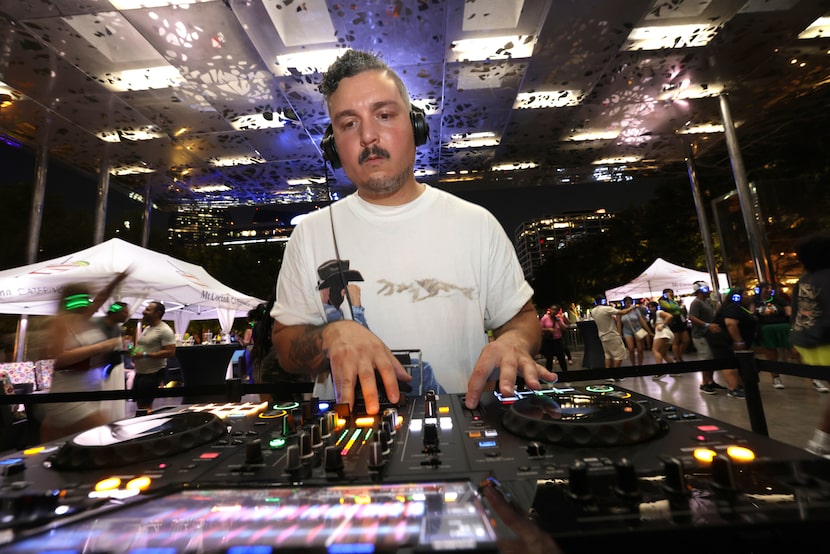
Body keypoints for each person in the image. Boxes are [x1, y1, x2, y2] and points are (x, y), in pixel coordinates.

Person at [270, 49, 555, 415]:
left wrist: (515, 341)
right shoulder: (309, 234)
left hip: (461, 428)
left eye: (384, 115)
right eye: (349, 123)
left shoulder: (477, 224)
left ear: (416, 126)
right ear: (333, 145)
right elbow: (284, 345)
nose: (369, 136)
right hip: (350, 440)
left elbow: (521, 318)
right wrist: (330, 336)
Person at [39, 271, 128, 442]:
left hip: (89, 392)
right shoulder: (60, 322)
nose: (89, 301)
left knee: (59, 450)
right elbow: (59, 359)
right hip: (69, 396)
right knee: (109, 439)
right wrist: (101, 346)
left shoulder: (83, 318)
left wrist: (116, 281)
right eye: (85, 297)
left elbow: (101, 299)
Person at [790, 232, 830, 457]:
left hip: (809, 343)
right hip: (826, 342)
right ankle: (819, 445)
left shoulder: (805, 279)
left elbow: (795, 313)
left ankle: (820, 444)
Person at [705, 287, 756, 399]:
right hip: (722, 339)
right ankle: (733, 389)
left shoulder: (740, 307)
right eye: (745, 294)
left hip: (726, 339)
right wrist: (738, 341)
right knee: (729, 363)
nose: (748, 296)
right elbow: (731, 324)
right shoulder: (733, 307)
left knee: (734, 362)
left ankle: (738, 385)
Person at [132, 301, 176, 415]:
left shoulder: (164, 330)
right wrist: (134, 353)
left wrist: (145, 355)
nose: (144, 311)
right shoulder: (148, 328)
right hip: (140, 372)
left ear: (157, 313)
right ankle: (143, 424)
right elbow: (142, 346)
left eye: (148, 310)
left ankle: (144, 427)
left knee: (144, 405)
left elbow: (170, 352)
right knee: (140, 404)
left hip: (153, 372)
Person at [687, 281, 728, 394]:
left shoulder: (707, 302)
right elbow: (692, 317)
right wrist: (707, 325)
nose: (708, 291)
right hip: (700, 335)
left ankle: (710, 381)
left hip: (708, 334)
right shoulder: (696, 303)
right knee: (706, 358)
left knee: (711, 358)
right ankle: (704, 383)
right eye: (706, 289)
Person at [94, 301, 131, 421]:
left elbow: (122, 348)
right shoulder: (97, 325)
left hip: (114, 368)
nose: (127, 314)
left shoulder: (118, 329)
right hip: (98, 368)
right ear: (115, 311)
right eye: (124, 312)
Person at [753, 281, 793, 389]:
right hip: (766, 329)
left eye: (770, 288)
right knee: (771, 354)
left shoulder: (778, 299)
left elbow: (788, 310)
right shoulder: (754, 301)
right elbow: (751, 314)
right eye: (766, 288)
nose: (769, 290)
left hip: (783, 327)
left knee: (795, 351)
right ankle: (776, 377)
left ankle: (813, 378)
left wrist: (790, 318)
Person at [590, 295, 634, 373]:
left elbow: (607, 314)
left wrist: (612, 307)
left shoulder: (593, 311)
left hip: (602, 336)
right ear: (603, 301)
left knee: (608, 355)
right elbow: (623, 312)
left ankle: (608, 375)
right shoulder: (606, 309)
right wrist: (632, 307)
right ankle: (614, 374)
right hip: (612, 335)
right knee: (619, 355)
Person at [659, 288, 690, 362]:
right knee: (676, 341)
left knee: (686, 340)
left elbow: (678, 309)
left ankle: (678, 355)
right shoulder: (662, 302)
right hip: (672, 322)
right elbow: (672, 307)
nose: (671, 294)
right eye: (669, 293)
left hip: (680, 321)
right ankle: (678, 358)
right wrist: (670, 300)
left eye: (672, 293)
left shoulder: (674, 301)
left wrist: (676, 306)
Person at [619, 296, 651, 366]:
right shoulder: (621, 312)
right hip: (626, 331)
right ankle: (633, 365)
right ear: (624, 303)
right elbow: (619, 324)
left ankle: (640, 364)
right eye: (627, 303)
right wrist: (619, 334)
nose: (629, 304)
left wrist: (649, 331)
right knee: (631, 349)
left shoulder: (636, 310)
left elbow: (642, 321)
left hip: (638, 329)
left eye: (630, 303)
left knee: (640, 349)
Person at [539, 306, 567, 372]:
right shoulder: (545, 318)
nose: (554, 311)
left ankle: (565, 372)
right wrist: (548, 329)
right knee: (549, 358)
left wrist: (559, 321)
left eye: (556, 310)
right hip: (548, 341)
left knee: (561, 358)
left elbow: (564, 329)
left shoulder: (558, 319)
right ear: (550, 310)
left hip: (557, 340)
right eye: (553, 309)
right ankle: (549, 374)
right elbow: (539, 329)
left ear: (557, 312)